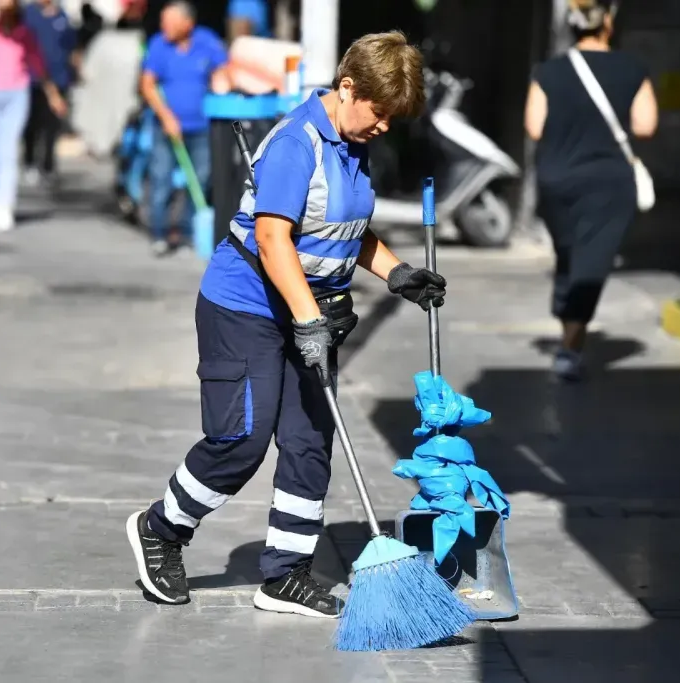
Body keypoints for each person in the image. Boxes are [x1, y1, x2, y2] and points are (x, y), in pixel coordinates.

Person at [126, 30, 447, 618]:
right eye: (379, 113)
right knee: (241, 440)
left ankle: (285, 574)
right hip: (245, 307)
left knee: (307, 442)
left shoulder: (354, 144)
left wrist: (396, 272)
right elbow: (274, 242)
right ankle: (161, 529)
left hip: (308, 312)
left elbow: (340, 227)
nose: (383, 127)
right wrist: (308, 320)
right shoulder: (297, 144)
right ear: (347, 87)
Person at [524, 0, 658, 381]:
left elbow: (535, 128)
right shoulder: (633, 69)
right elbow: (646, 126)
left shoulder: (548, 71)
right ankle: (570, 346)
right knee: (591, 261)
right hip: (607, 182)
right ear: (608, 24)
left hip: (556, 179)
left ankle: (568, 322)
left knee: (569, 253)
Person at [140, 0, 229, 256]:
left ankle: (190, 234)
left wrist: (222, 83)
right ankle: (159, 234)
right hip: (166, 126)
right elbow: (147, 84)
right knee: (161, 180)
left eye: (169, 22)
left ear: (187, 24)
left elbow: (223, 69)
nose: (163, 27)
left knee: (199, 180)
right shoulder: (158, 44)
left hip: (201, 126)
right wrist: (166, 116)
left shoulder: (206, 41)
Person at [0, 0, 66, 232]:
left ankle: (3, 204)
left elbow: (38, 65)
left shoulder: (24, 33)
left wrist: (53, 95)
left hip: (16, 94)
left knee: (8, 150)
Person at [22, 0, 80, 188]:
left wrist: (76, 70)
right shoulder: (27, 14)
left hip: (59, 78)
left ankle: (48, 164)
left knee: (52, 125)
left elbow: (71, 47)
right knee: (32, 124)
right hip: (33, 79)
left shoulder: (62, 16)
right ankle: (29, 161)